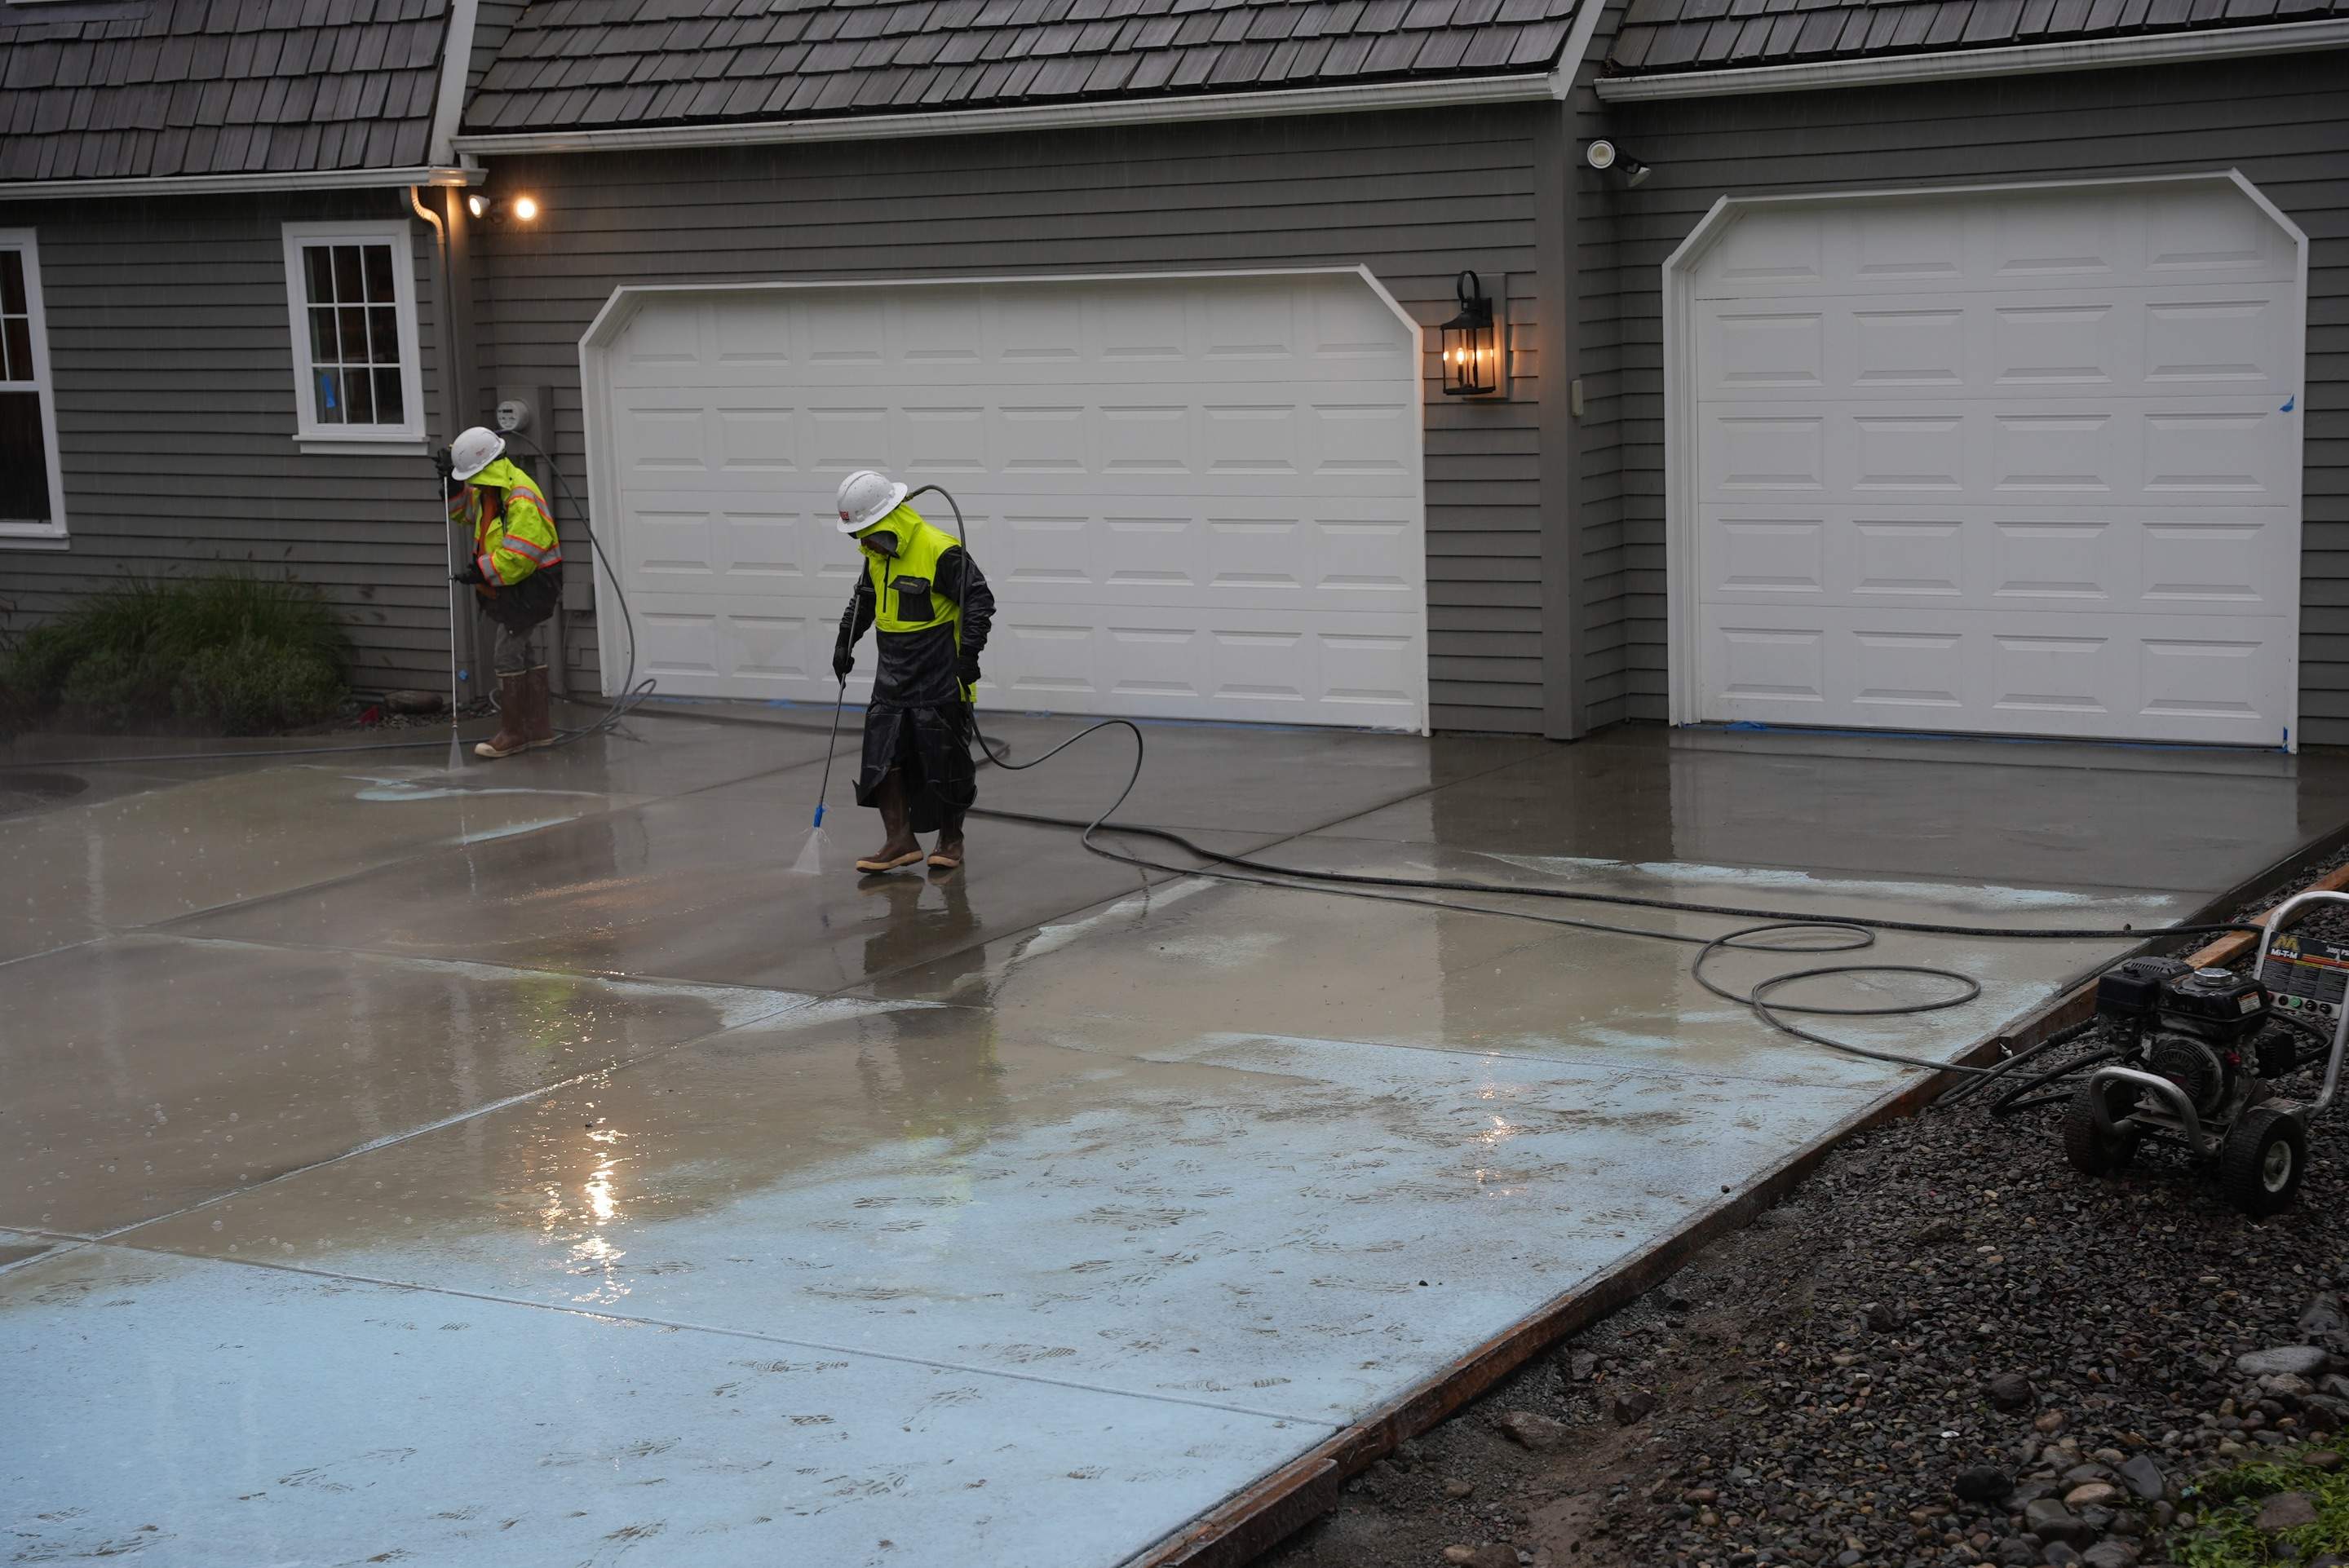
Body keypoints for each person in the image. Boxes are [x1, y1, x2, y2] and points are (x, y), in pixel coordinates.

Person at [831, 469, 993, 874]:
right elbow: (864, 600)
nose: (860, 541)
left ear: (888, 519)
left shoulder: (940, 550)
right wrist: (844, 641)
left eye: (866, 530)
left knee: (945, 760)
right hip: (893, 671)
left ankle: (951, 841)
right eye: (856, 534)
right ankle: (899, 841)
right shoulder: (876, 555)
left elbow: (979, 600)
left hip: (940, 669)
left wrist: (968, 656)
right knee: (881, 758)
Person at [437, 426, 562, 759]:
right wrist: (452, 486)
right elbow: (466, 515)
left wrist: (482, 570)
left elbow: (522, 555)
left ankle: (514, 733)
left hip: (531, 584)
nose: (472, 484)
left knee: (507, 652)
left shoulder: (518, 496)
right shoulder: (491, 490)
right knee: (524, 649)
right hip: (514, 583)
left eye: (472, 477)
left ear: (486, 468)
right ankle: (538, 729)